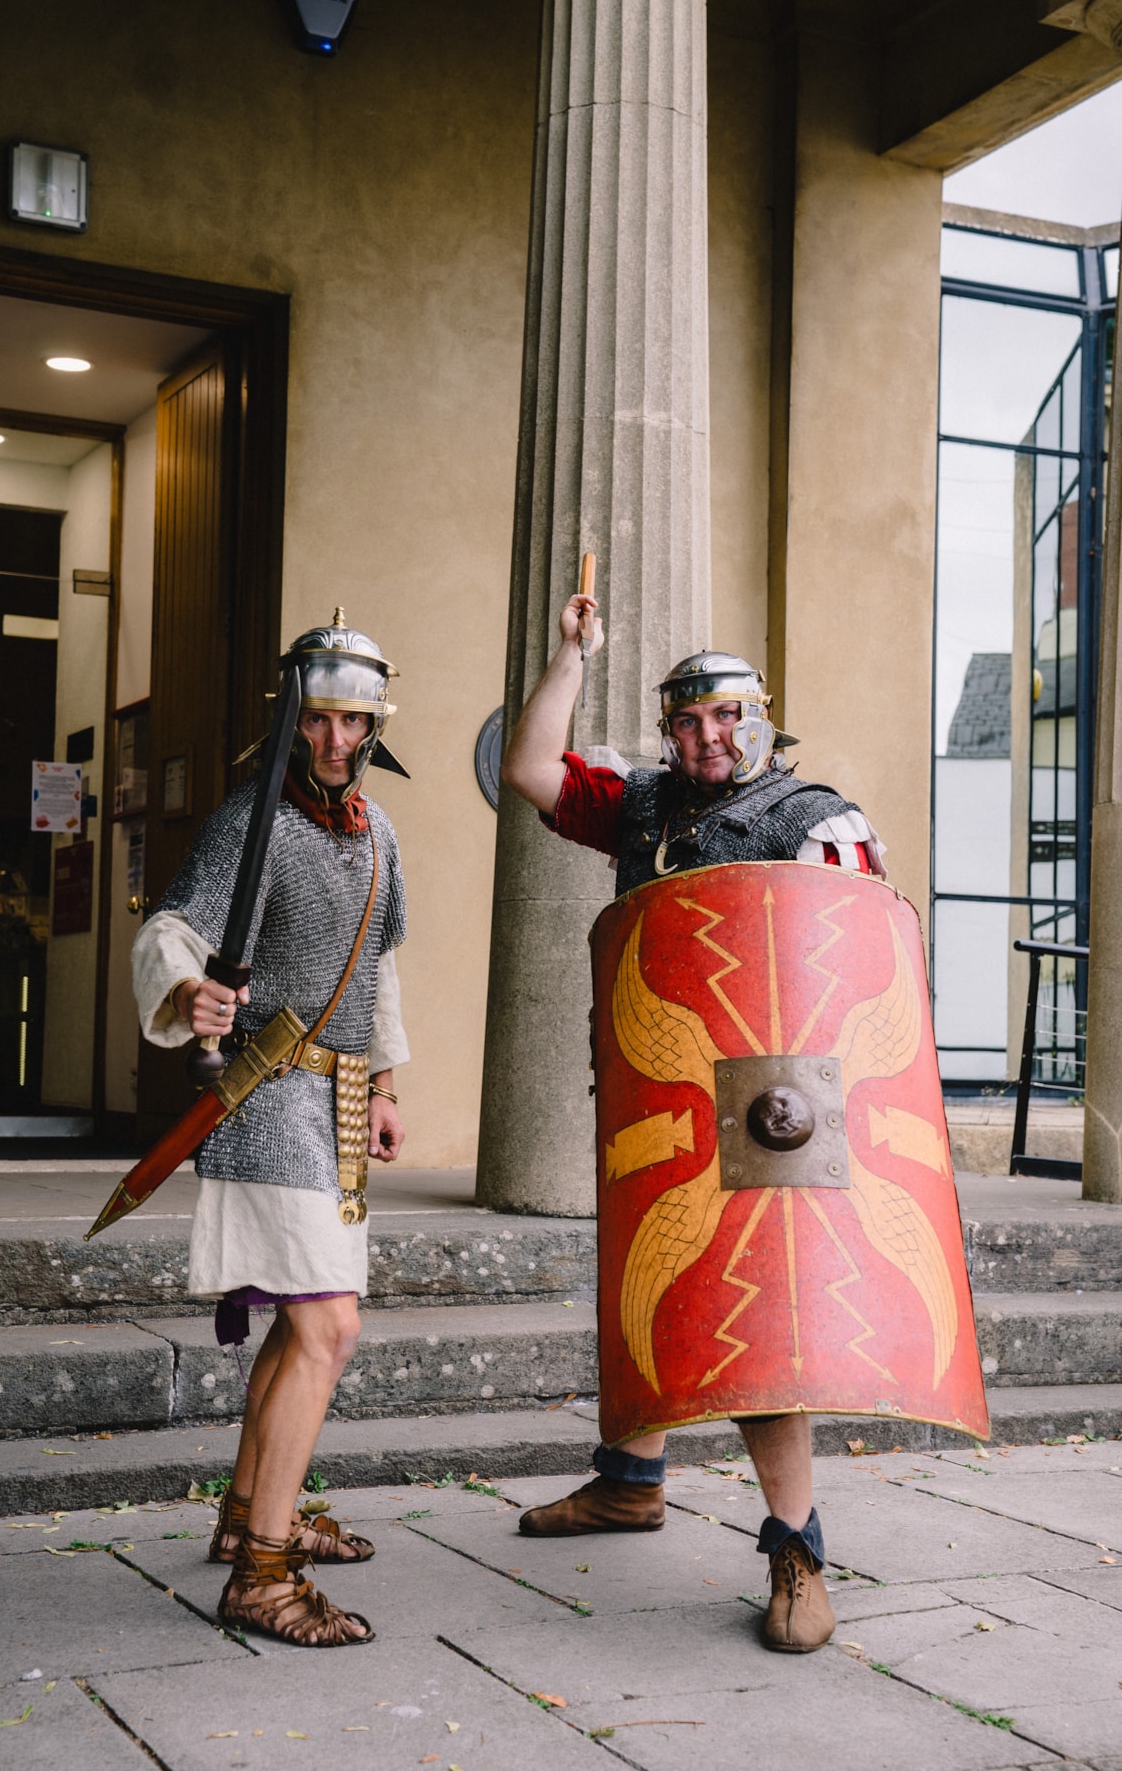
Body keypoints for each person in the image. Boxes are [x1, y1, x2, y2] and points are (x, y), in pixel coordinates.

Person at [501, 590, 886, 1654]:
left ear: (762, 719)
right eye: (687, 720)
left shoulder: (816, 819)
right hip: (663, 1099)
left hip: (772, 1118)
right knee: (647, 1286)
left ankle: (798, 1547)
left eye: (725, 716)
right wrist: (574, 654)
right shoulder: (643, 805)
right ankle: (631, 1481)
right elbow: (531, 771)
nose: (707, 737)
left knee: (763, 1330)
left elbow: (860, 974)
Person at [132, 611, 409, 1649]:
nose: (337, 740)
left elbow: (379, 967)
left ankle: (254, 1515)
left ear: (377, 723)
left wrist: (382, 1084)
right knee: (329, 1326)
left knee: (304, 1323)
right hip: (266, 1095)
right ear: (294, 719)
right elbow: (171, 926)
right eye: (321, 719)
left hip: (336, 1103)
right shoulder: (251, 818)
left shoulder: (379, 833)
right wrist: (190, 989)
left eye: (355, 721)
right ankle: (262, 1572)